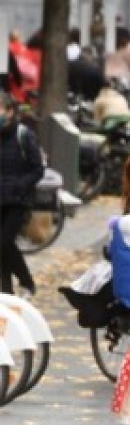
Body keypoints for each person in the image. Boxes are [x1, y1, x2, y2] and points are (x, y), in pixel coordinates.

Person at [0, 95, 43, 296]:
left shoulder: (22, 134)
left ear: (10, 111)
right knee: (3, 248)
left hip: (17, 200)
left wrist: (19, 185)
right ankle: (6, 292)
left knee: (3, 242)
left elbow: (37, 169)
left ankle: (26, 281)